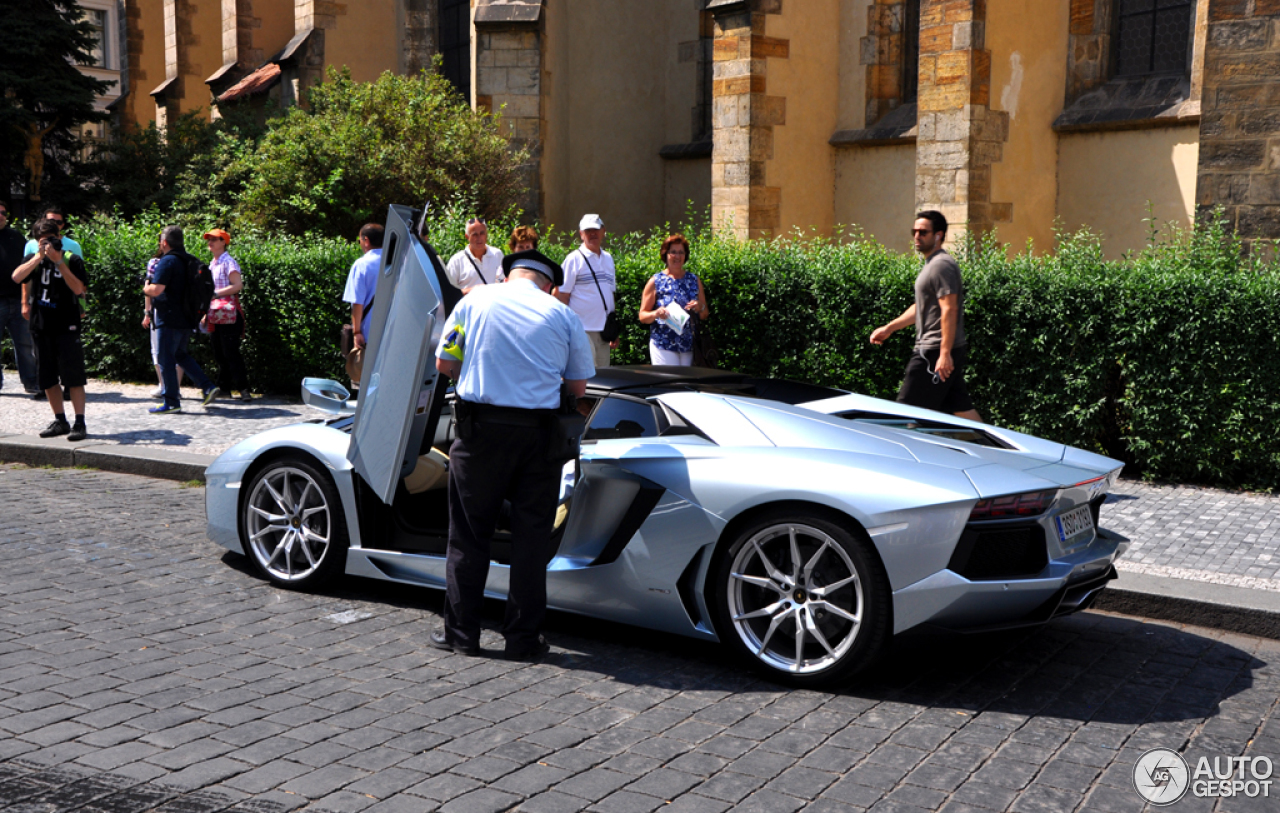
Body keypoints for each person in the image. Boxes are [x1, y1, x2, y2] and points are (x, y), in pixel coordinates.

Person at [433, 249, 595, 660]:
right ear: (549, 284)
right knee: (531, 539)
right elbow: (578, 389)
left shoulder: (473, 302)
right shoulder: (562, 315)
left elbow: (443, 363)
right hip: (539, 440)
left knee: (469, 535)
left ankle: (462, 635)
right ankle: (522, 640)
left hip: (478, 434)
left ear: (507, 276)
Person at [869, 211, 982, 422]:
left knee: (905, 412)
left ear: (939, 235)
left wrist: (944, 353)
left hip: (932, 352)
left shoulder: (941, 265)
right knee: (961, 410)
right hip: (937, 351)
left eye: (923, 232)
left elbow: (949, 308)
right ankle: (992, 451)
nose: (917, 236)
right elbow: (921, 307)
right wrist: (889, 328)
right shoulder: (932, 265)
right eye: (915, 231)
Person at [10, 218, 89, 440]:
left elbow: (78, 288)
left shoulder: (71, 259)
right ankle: (60, 420)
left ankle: (80, 422)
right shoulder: (35, 259)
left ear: (59, 237)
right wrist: (38, 257)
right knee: (47, 376)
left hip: (67, 325)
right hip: (41, 325)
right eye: (42, 241)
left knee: (73, 376)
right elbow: (16, 277)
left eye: (51, 240)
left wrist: (59, 262)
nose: (47, 245)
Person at [143, 226, 219, 414]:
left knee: (165, 358)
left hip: (169, 317)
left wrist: (145, 288)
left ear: (165, 242)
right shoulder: (190, 260)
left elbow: (157, 290)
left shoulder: (167, 261)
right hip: (188, 317)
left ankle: (171, 402)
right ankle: (207, 386)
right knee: (180, 354)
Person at [555, 214, 616, 368]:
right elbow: (562, 295)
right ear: (581, 234)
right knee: (586, 376)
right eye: (587, 231)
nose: (592, 234)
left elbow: (610, 294)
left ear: (603, 231)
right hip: (582, 330)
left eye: (595, 230)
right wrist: (565, 328)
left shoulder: (608, 259)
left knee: (604, 378)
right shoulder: (573, 259)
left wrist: (613, 329)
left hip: (604, 332)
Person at [638, 233, 708, 366]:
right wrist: (656, 313)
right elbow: (642, 316)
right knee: (669, 384)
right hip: (663, 345)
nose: (677, 256)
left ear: (685, 256)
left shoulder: (694, 280)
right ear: (666, 255)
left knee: (686, 385)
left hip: (689, 346)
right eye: (673, 252)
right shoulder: (656, 281)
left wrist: (700, 307)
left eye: (681, 252)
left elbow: (704, 314)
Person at [202, 228, 250, 401]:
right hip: (216, 314)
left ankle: (243, 389)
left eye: (215, 239)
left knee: (231, 352)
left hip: (229, 314)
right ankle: (224, 388)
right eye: (209, 239)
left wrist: (216, 294)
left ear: (224, 242)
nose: (210, 242)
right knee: (219, 352)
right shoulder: (212, 263)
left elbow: (238, 285)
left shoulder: (228, 262)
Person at [0, 200, 39, 395]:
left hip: (17, 299)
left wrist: (27, 299)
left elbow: (28, 268)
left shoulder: (16, 237)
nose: (1, 216)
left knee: (25, 343)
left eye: (3, 213)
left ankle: (31, 382)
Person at [341, 223, 384, 390]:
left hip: (369, 332)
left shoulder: (362, 265)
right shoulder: (398, 264)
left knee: (366, 381)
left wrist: (357, 332)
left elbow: (357, 303)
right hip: (393, 329)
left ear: (366, 240)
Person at [143, 244, 185, 398]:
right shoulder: (154, 263)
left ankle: (174, 387)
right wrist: (147, 312)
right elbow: (149, 290)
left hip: (175, 311)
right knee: (158, 349)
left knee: (175, 350)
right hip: (160, 310)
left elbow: (148, 288)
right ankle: (163, 385)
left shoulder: (182, 261)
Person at [445, 218, 504, 293]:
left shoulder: (497, 254)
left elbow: (505, 282)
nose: (479, 238)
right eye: (475, 234)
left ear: (486, 234)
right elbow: (448, 292)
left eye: (482, 233)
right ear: (467, 237)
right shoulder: (457, 261)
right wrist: (473, 291)